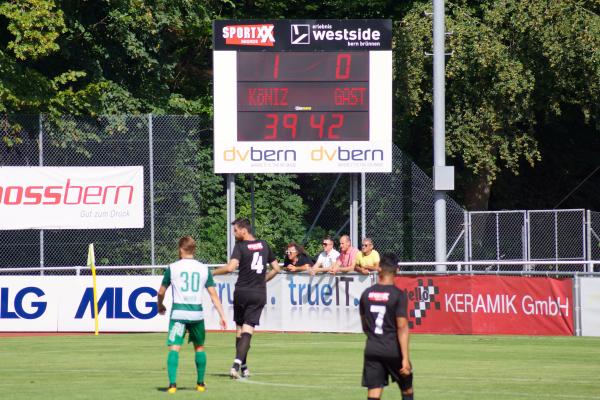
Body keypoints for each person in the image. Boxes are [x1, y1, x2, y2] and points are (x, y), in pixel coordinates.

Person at [157, 236, 227, 394]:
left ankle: (172, 386)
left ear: (181, 249)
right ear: (194, 249)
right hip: (196, 313)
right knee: (199, 347)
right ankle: (200, 383)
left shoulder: (173, 268)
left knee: (174, 348)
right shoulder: (203, 269)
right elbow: (213, 295)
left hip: (179, 313)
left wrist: (159, 305)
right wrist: (222, 315)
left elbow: (161, 292)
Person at [212, 218, 281, 379]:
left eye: (235, 230)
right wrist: (263, 279)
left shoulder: (240, 246)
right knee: (248, 330)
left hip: (242, 292)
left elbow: (230, 268)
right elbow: (277, 268)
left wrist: (213, 272)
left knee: (239, 330)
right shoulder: (264, 244)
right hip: (258, 293)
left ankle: (239, 364)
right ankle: (241, 365)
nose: (234, 233)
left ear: (244, 230)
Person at [359, 254, 413, 400]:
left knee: (374, 393)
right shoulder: (398, 295)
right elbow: (402, 327)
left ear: (379, 269)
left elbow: (365, 326)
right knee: (407, 390)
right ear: (397, 270)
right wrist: (405, 358)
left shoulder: (366, 294)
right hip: (392, 349)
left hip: (372, 348)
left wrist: (374, 339)